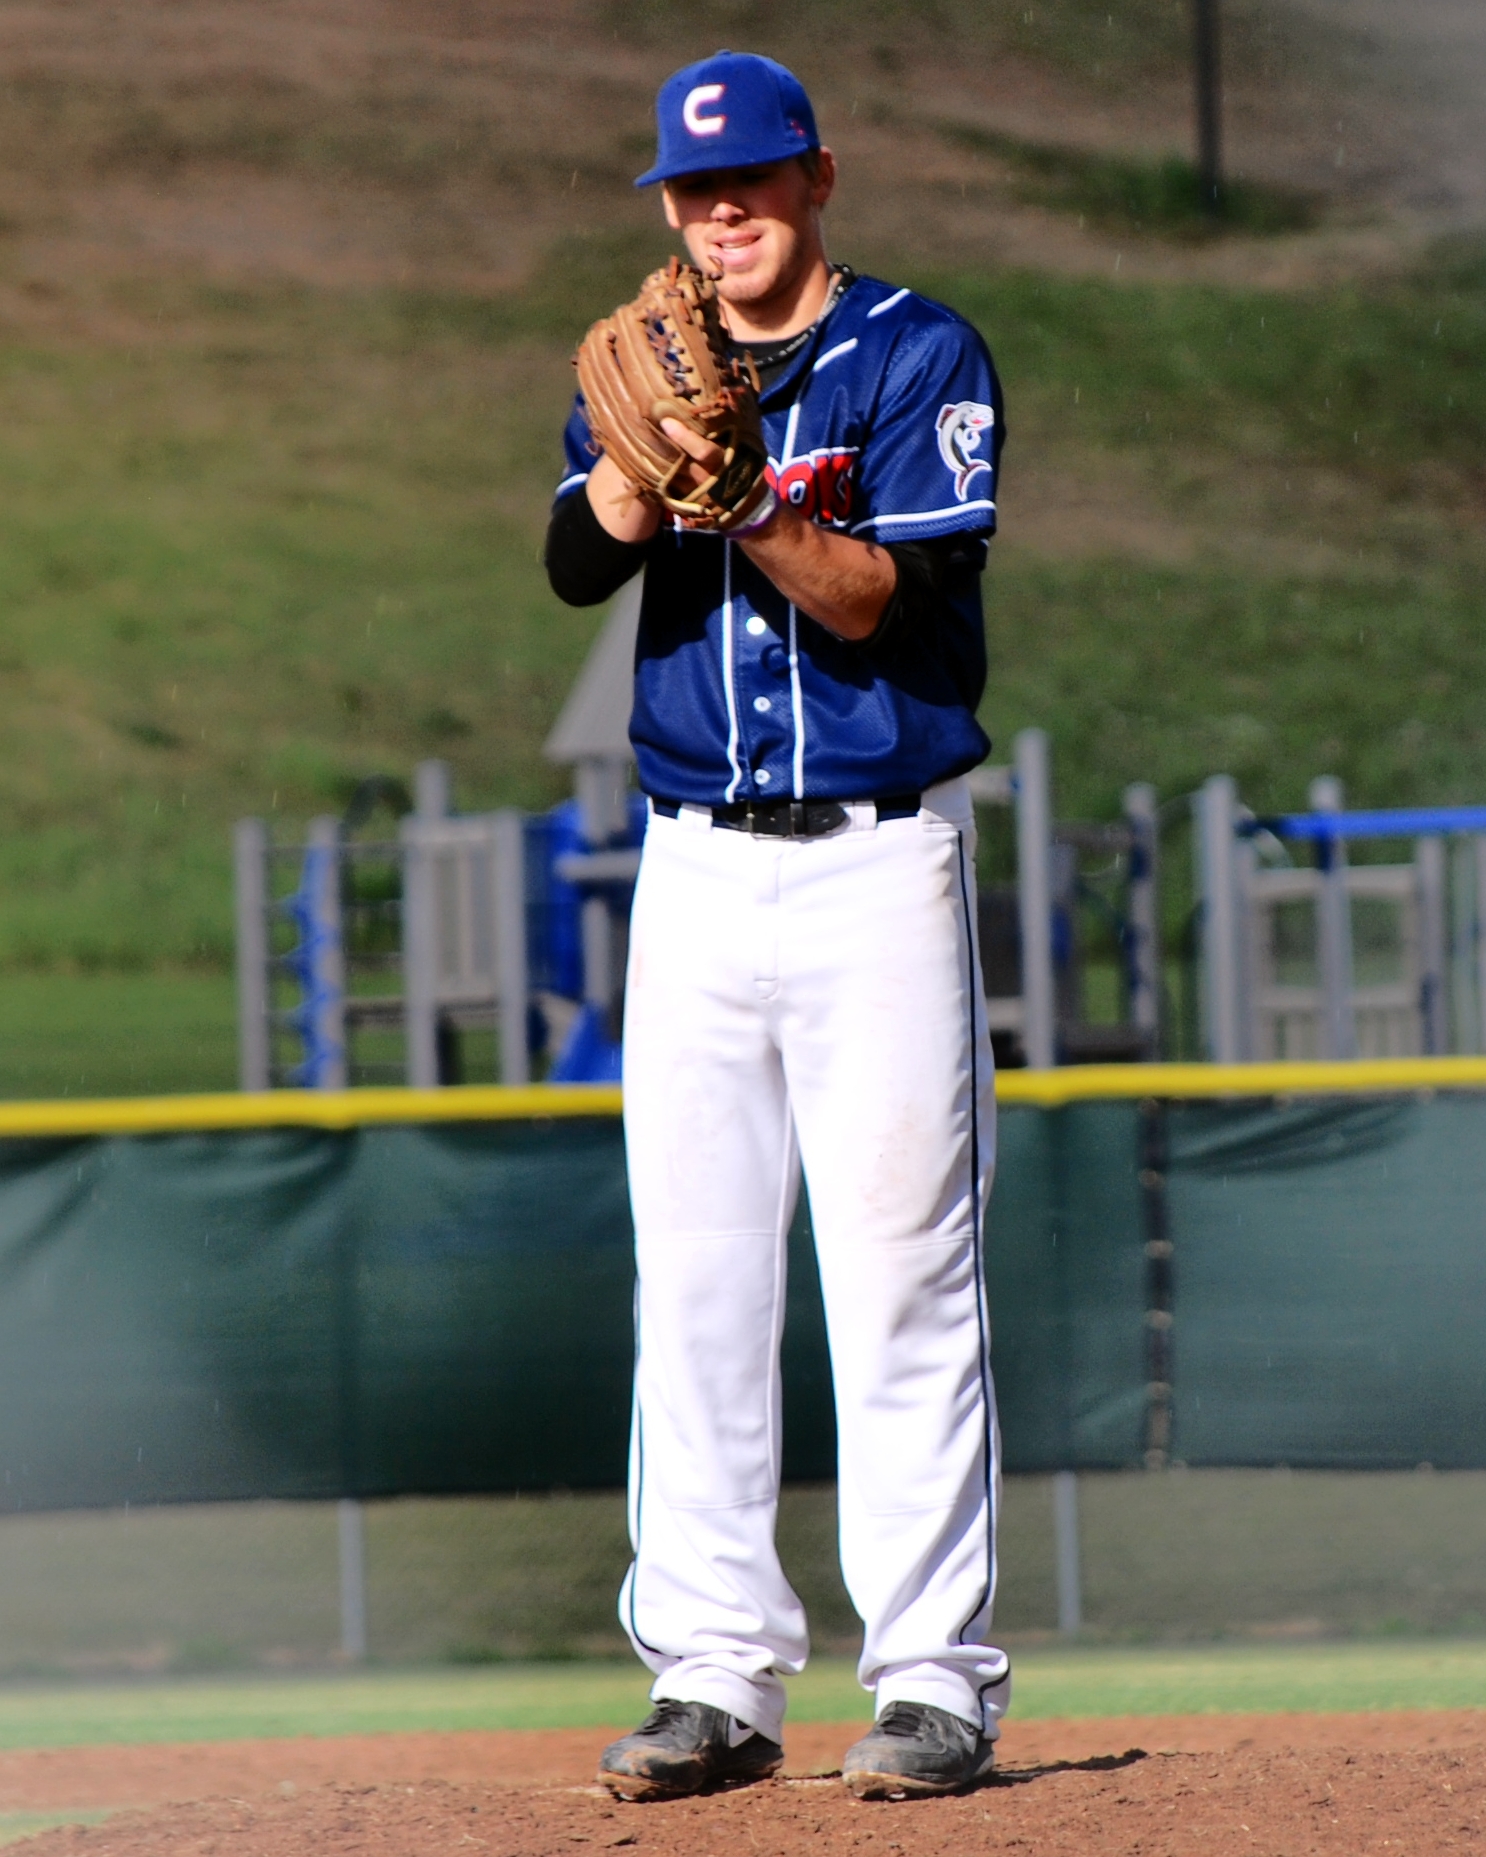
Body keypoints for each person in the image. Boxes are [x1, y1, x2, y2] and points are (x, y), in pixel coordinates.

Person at [544, 49, 1009, 1803]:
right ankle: (713, 1677)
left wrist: (738, 502)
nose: (717, 210)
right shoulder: (636, 360)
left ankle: (934, 1683)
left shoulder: (912, 353)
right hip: (694, 868)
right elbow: (577, 567)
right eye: (690, 187)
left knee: (899, 1280)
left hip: (875, 861)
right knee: (701, 1276)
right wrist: (626, 480)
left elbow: (890, 596)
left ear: (819, 178)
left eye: (751, 179)